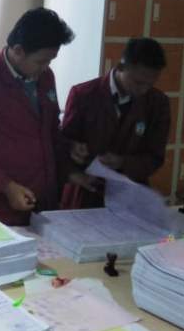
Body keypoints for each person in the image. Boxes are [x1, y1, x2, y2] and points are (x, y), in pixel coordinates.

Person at [0, 7, 93, 226]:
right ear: (18, 51)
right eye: (41, 61)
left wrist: (69, 151)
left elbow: (49, 130)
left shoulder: (45, 78)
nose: (46, 67)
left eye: (50, 61)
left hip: (42, 199)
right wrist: (6, 186)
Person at [60, 37, 171, 208]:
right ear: (120, 67)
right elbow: (63, 143)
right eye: (138, 82)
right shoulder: (83, 94)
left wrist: (122, 162)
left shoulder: (158, 103)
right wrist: (73, 148)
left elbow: (155, 157)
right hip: (86, 190)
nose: (144, 90)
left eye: (150, 84)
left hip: (129, 195)